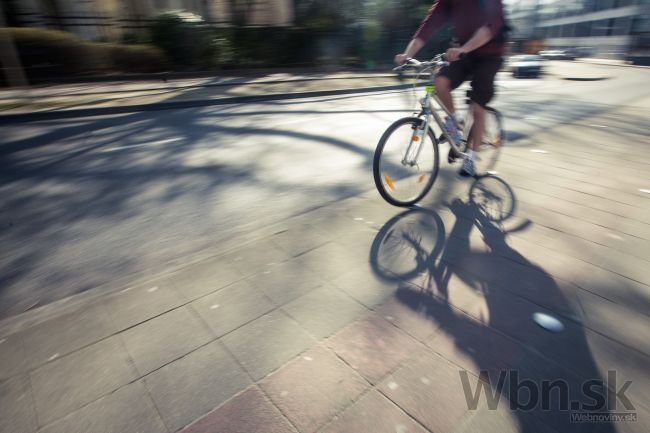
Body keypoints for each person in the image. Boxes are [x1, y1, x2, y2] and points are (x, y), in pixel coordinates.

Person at [394, 0, 507, 177]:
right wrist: (407, 54)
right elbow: (428, 26)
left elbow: (489, 27)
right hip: (462, 52)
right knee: (439, 82)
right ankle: (455, 124)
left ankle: (471, 157)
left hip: (489, 55)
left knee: (477, 108)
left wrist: (463, 48)